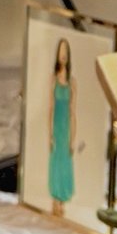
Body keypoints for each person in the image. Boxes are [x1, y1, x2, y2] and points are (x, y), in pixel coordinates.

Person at [47, 36, 77, 216]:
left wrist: (73, 138)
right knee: (55, 162)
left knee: (65, 162)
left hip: (66, 126)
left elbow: (74, 112)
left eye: (66, 52)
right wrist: (49, 133)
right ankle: (55, 199)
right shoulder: (53, 80)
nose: (63, 55)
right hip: (56, 125)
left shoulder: (72, 82)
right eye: (61, 51)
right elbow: (50, 109)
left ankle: (62, 199)